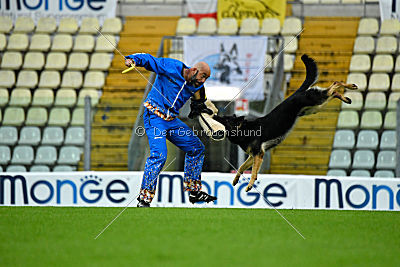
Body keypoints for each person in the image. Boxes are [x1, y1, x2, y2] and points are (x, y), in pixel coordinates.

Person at [125, 53, 217, 207]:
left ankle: (194, 192)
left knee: (197, 148)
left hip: (171, 121)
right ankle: (144, 199)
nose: (203, 81)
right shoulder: (172, 66)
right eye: (203, 76)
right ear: (194, 70)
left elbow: (200, 103)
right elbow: (150, 60)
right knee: (159, 155)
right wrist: (133, 59)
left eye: (206, 78)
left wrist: (210, 117)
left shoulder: (198, 85)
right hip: (154, 116)